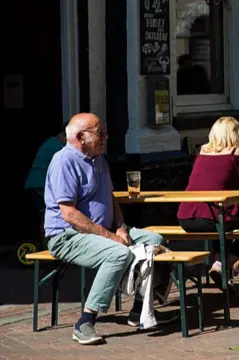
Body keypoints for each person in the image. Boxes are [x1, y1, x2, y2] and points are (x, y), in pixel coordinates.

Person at [44, 113, 176, 345]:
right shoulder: (63, 161)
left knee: (157, 239)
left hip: (103, 229)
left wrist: (121, 227)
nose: (106, 136)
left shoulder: (97, 158)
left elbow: (110, 198)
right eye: (100, 132)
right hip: (66, 236)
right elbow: (69, 214)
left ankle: (140, 309)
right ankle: (85, 322)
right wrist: (110, 236)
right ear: (80, 137)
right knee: (118, 254)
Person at [177, 117, 239, 288]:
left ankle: (217, 265)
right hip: (213, 218)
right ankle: (225, 265)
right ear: (234, 134)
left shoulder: (202, 151)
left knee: (221, 217)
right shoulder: (237, 153)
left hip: (186, 217)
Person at [25, 126, 66, 240]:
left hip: (35, 182)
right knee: (49, 213)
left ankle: (46, 243)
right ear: (63, 136)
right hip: (40, 183)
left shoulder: (51, 143)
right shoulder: (58, 147)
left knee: (45, 213)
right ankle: (47, 245)